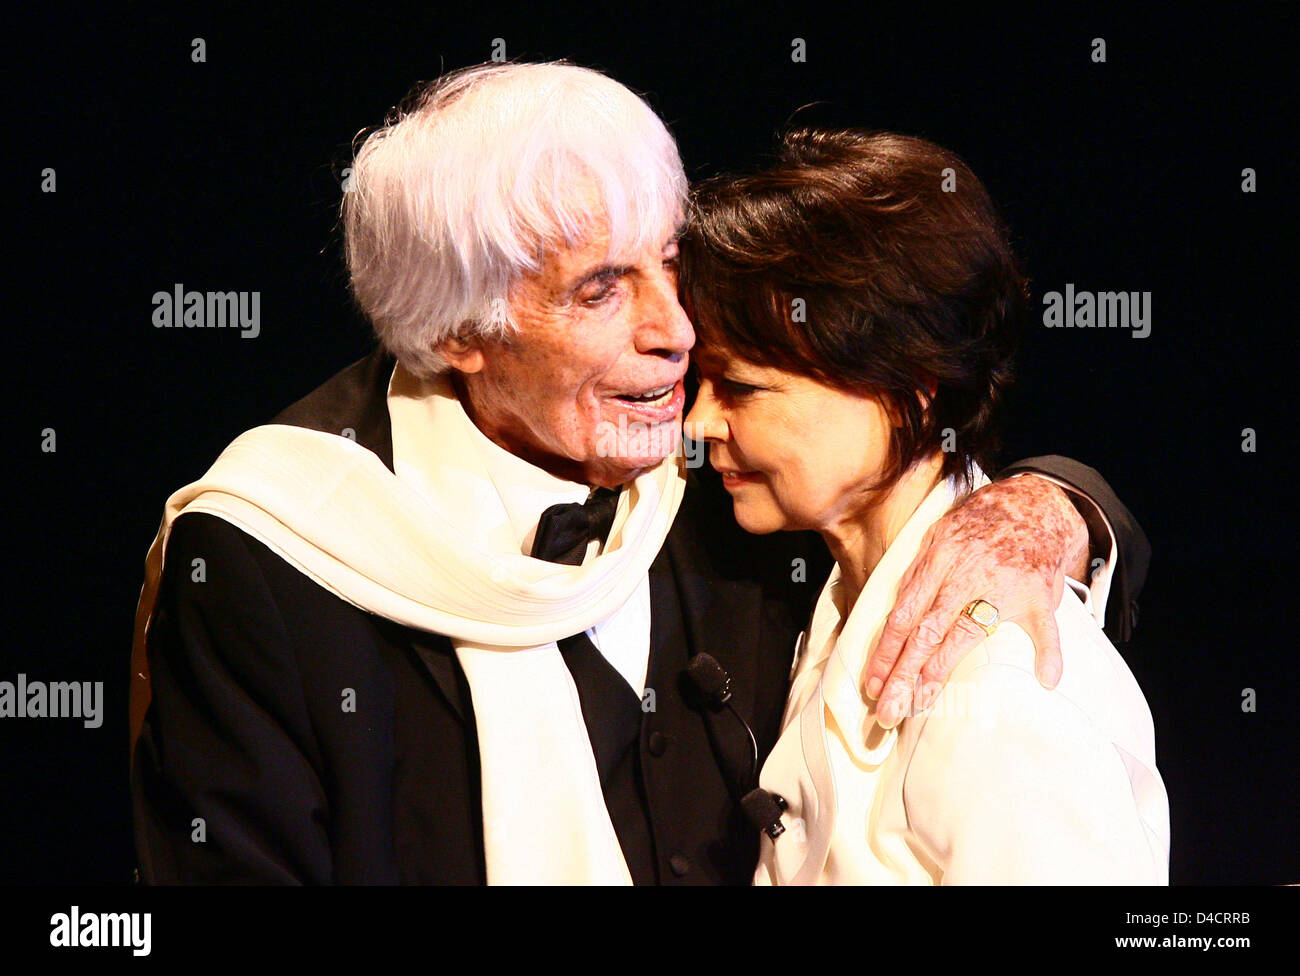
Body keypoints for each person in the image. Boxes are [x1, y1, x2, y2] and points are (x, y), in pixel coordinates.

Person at [130, 62, 1148, 885]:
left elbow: (913, 423)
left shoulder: (717, 460)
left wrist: (1056, 504)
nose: (675, 333)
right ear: (457, 330)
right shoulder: (275, 546)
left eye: (669, 261)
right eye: (599, 290)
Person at [681, 127, 1169, 884]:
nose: (698, 423)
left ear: (903, 385)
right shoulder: (830, 589)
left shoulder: (995, 685)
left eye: (739, 386)